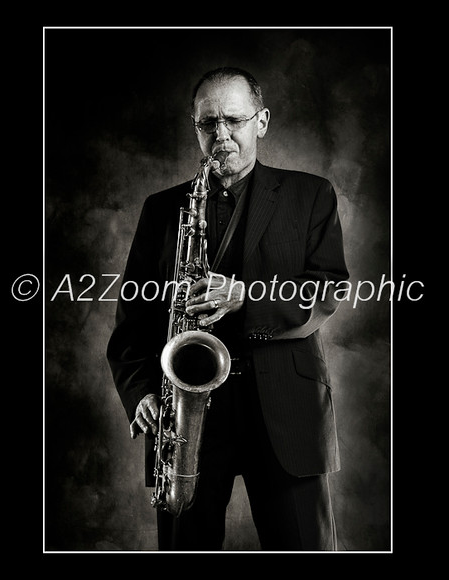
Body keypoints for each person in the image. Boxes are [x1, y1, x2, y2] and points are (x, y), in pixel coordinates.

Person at [107, 67, 349, 551]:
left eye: (234, 120)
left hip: (286, 410)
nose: (221, 135)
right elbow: (132, 325)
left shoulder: (311, 194)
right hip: (184, 412)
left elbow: (327, 290)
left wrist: (244, 294)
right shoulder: (162, 209)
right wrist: (140, 395)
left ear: (261, 121)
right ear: (195, 127)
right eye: (208, 124)